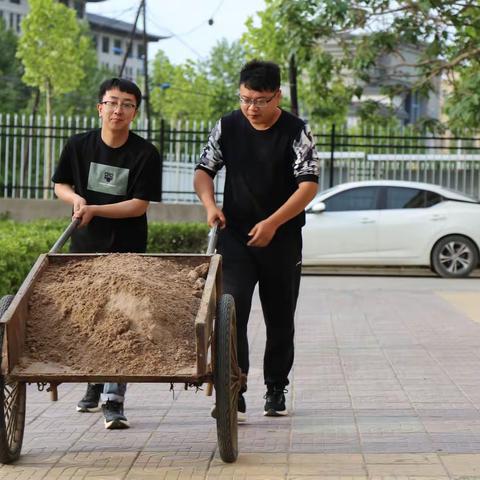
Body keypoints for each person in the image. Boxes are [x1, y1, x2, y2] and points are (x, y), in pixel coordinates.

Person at [194, 60, 319, 419]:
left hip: (282, 239)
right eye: (245, 98)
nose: (252, 108)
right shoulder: (228, 126)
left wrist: (274, 222)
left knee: (281, 316)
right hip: (234, 237)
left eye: (261, 100)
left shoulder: (297, 131)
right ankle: (236, 382)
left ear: (278, 95)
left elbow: (308, 185)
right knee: (231, 310)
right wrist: (209, 205)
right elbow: (203, 171)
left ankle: (276, 385)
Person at [52, 78, 161, 429]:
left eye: (127, 104)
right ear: (100, 107)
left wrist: (96, 209)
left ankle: (113, 399)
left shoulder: (145, 154)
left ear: (135, 113)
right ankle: (94, 380)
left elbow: (138, 205)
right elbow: (61, 185)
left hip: (127, 250)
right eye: (112, 102)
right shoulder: (78, 146)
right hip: (83, 249)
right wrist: (76, 199)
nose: (118, 110)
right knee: (90, 317)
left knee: (122, 318)